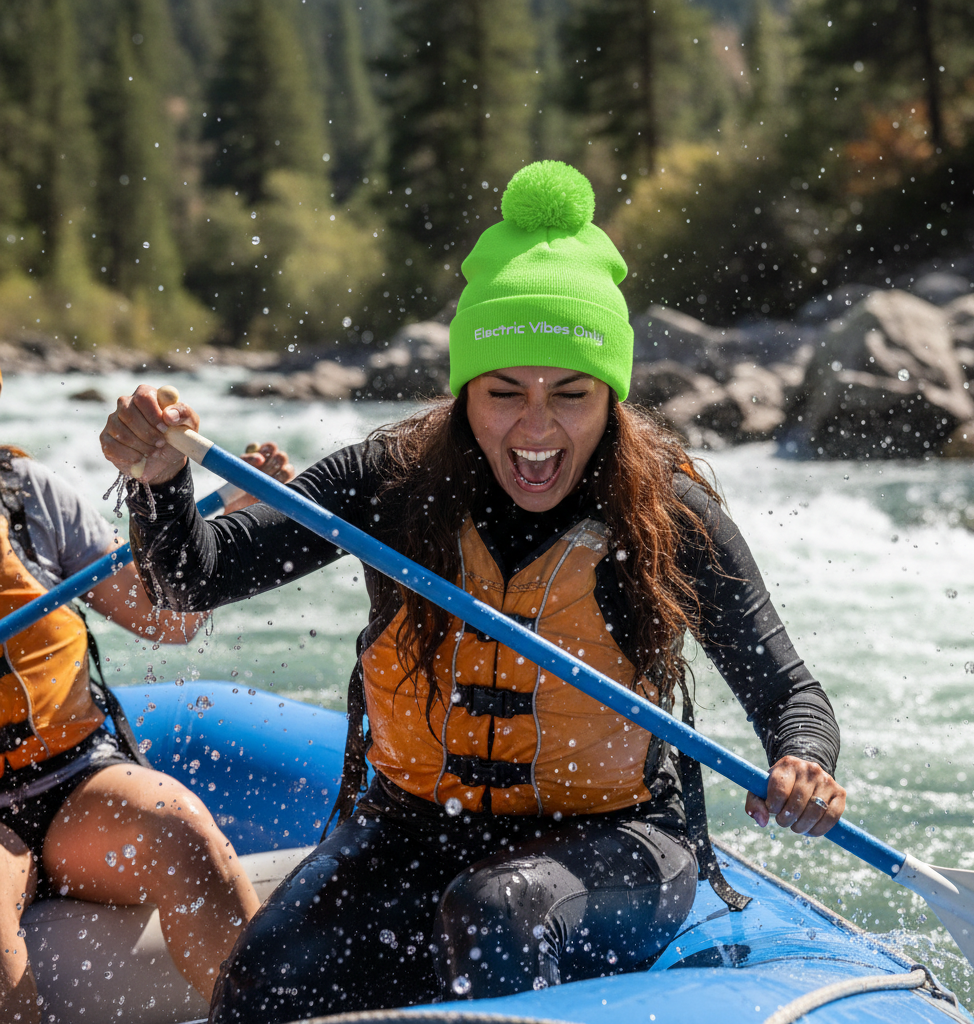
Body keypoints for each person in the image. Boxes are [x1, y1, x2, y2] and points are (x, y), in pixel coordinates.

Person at [100, 160, 846, 1023]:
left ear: (610, 397)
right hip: (414, 828)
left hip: (622, 843)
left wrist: (805, 763)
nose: (535, 428)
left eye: (569, 394)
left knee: (497, 911)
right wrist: (159, 482)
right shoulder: (390, 481)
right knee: (267, 980)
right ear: (463, 395)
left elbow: (790, 693)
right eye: (502, 393)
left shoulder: (669, 514)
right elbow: (193, 576)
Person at [0, 366, 295, 1023]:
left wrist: (233, 523)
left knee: (180, 828)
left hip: (74, 781)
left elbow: (168, 617)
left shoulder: (29, 495)